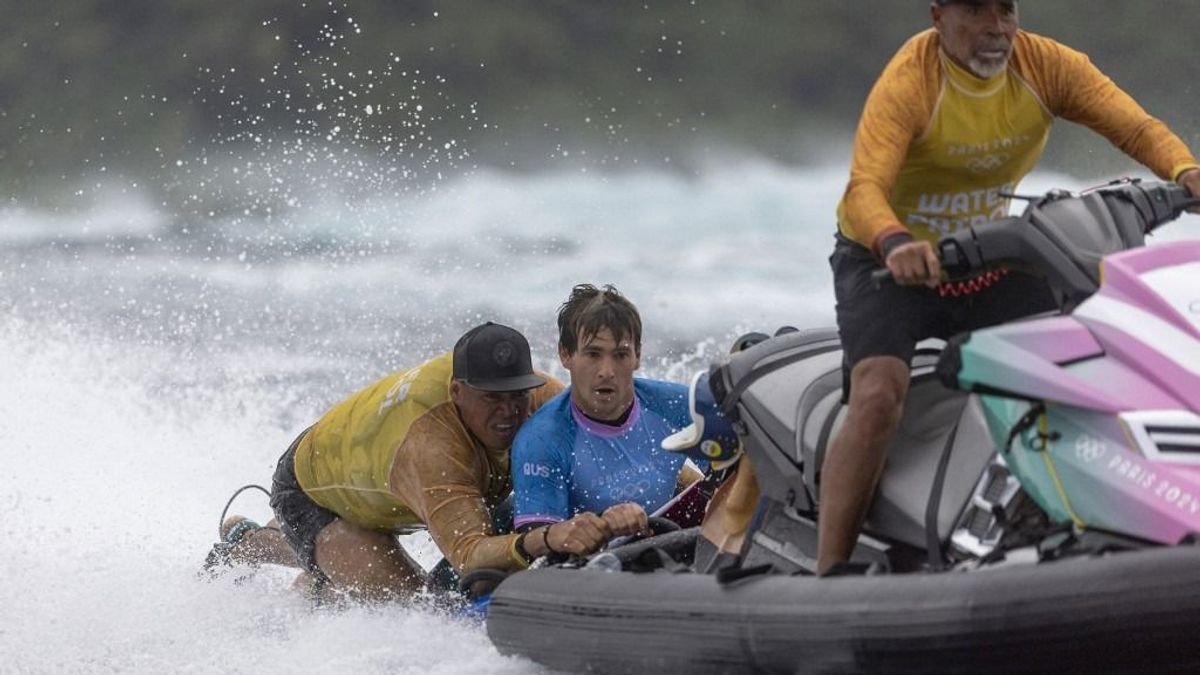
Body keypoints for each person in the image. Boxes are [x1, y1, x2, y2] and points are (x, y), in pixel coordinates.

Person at [820, 0, 1200, 575]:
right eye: (975, 11)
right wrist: (896, 243)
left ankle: (1099, 514)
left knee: (1087, 364)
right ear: (938, 15)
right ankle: (830, 569)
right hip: (891, 264)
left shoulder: (1049, 66)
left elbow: (1137, 128)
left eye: (1006, 9)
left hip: (989, 260)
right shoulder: (911, 81)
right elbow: (865, 187)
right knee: (877, 395)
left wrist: (1185, 171)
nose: (996, 27)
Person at [209, 322, 619, 602]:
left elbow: (615, 447)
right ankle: (257, 547)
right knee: (416, 608)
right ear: (458, 392)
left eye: (516, 396)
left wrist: (683, 488)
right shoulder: (432, 449)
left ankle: (328, 567)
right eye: (492, 398)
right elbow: (470, 556)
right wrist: (549, 538)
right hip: (313, 493)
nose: (509, 411)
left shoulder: (542, 396)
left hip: (379, 466)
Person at [511, 284, 704, 545]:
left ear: (637, 355)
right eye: (593, 354)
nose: (607, 371)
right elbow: (540, 553)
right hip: (591, 570)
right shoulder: (542, 439)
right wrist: (602, 525)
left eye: (620, 355)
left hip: (670, 545)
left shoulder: (678, 405)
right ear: (565, 355)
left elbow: (739, 478)